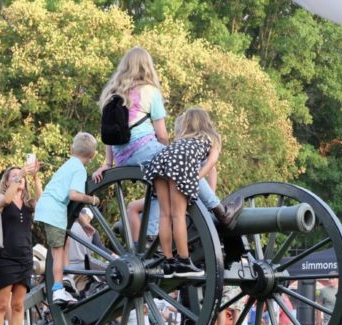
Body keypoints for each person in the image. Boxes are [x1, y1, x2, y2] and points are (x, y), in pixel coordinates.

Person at [92, 47, 243, 236]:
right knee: (182, 163)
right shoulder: (149, 91)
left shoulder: (112, 94)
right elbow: (162, 135)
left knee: (159, 189)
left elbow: (107, 134)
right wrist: (170, 154)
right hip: (145, 148)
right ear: (147, 67)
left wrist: (108, 162)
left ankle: (150, 236)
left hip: (122, 156)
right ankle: (220, 211)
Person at [144, 107, 225, 276]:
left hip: (161, 160)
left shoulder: (182, 140)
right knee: (178, 215)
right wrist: (195, 178)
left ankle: (168, 262)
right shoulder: (211, 138)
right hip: (180, 163)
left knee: (165, 214)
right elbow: (211, 164)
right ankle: (183, 261)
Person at [34, 132, 99, 306]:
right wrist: (92, 199)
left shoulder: (69, 164)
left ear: (71, 150)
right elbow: (74, 195)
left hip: (50, 208)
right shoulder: (79, 169)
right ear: (93, 155)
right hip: (54, 210)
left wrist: (82, 219)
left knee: (66, 242)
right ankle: (57, 290)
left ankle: (67, 277)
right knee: (57, 252)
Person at [0, 161, 41, 325]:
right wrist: (20, 176)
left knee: (18, 305)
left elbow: (41, 201)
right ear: (7, 181)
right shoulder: (0, 198)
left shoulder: (29, 204)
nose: (19, 179)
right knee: (2, 305)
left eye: (21, 176)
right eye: (14, 176)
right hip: (5, 258)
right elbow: (7, 201)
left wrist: (35, 177)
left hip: (25, 257)